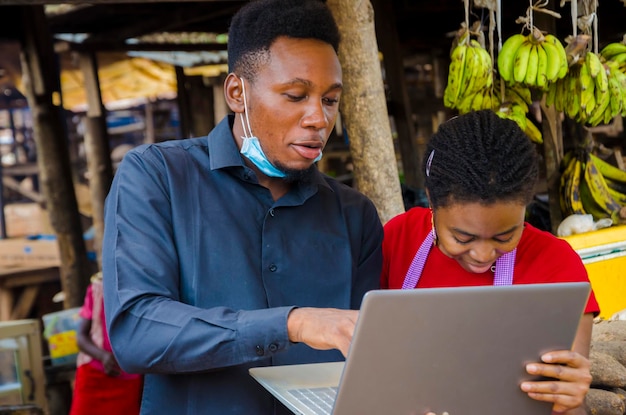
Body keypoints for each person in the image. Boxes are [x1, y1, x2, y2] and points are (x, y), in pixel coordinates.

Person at [101, 1, 386, 414]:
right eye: (295, 95)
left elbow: (368, 357)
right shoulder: (158, 176)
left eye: (329, 100)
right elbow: (136, 329)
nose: (318, 119)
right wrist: (292, 324)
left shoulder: (353, 214)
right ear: (237, 93)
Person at [381, 109, 600, 415]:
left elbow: (573, 406)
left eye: (504, 237)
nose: (482, 256)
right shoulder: (398, 238)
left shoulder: (558, 267)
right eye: (463, 238)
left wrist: (572, 403)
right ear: (431, 200)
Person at [70, 272, 143, 415]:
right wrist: (103, 356)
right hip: (93, 376)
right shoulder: (98, 288)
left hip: (130, 377)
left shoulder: (141, 289)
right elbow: (81, 338)